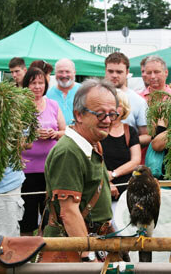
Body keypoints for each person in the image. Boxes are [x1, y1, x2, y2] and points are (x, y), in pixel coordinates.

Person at [44, 78, 119, 262]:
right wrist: (88, 257)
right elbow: (68, 212)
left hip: (94, 242)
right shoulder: (68, 152)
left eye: (112, 114)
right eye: (100, 114)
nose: (108, 120)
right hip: (72, 251)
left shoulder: (93, 143)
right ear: (78, 115)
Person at [19, 68, 65, 236]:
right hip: (26, 171)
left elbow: (64, 131)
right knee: (27, 218)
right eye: (33, 83)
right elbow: (13, 137)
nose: (37, 87)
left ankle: (44, 253)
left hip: (50, 170)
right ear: (26, 85)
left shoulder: (53, 104)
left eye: (41, 83)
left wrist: (55, 134)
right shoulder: (20, 106)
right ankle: (26, 252)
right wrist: (34, 135)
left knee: (48, 215)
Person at [101, 90, 141, 204]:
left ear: (124, 109)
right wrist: (106, 180)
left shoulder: (130, 131)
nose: (113, 109)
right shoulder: (99, 130)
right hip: (102, 189)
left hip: (127, 191)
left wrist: (113, 174)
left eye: (118, 105)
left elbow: (135, 160)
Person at [104, 52, 151, 147]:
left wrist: (123, 141)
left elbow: (147, 136)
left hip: (127, 158)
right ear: (105, 71)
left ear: (127, 72)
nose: (114, 75)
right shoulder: (94, 96)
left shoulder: (138, 101)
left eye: (119, 72)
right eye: (110, 71)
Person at [46, 58, 81, 125]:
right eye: (60, 72)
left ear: (74, 72)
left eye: (67, 72)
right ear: (55, 73)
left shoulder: (84, 92)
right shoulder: (48, 95)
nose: (64, 75)